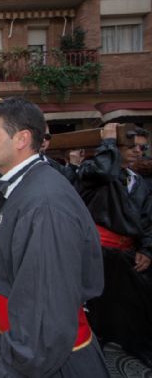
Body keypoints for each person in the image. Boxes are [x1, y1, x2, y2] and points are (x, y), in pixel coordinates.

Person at [0, 98, 108, 377]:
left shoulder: (45, 205)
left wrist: (9, 371)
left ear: (21, 139)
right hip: (19, 337)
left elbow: (46, 310)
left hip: (46, 359)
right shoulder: (22, 184)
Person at [77, 123, 152, 367]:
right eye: (131, 145)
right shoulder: (93, 171)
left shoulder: (138, 182)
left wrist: (146, 249)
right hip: (98, 252)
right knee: (96, 307)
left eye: (142, 147)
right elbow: (105, 172)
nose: (138, 151)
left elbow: (148, 219)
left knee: (133, 306)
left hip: (128, 253)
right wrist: (107, 142)